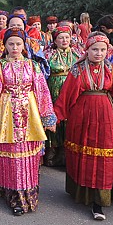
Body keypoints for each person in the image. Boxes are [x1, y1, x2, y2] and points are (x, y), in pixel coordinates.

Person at [0, 29, 56, 216]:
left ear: (24, 45)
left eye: (18, 44)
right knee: (10, 152)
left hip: (29, 113)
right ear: (5, 46)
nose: (15, 47)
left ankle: (26, 191)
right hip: (7, 114)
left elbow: (42, 91)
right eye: (11, 44)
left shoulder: (33, 66)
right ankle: (10, 191)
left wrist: (47, 116)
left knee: (26, 154)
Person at [54, 32, 113, 220]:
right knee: (81, 155)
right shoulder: (76, 71)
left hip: (105, 117)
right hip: (81, 117)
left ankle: (99, 202)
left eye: (103, 50)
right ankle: (81, 193)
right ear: (86, 50)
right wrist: (54, 119)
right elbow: (65, 97)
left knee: (103, 157)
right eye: (95, 49)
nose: (99, 53)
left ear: (108, 51)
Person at [43, 25, 78, 167]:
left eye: (67, 37)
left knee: (69, 119)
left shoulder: (77, 54)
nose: (64, 40)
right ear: (55, 40)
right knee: (54, 118)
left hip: (71, 89)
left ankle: (65, 152)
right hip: (53, 89)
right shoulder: (48, 55)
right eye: (60, 38)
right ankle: (52, 150)